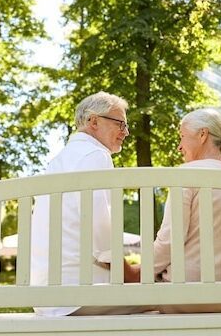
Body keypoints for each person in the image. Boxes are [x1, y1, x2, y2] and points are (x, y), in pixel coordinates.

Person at [129, 108, 221, 313]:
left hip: (189, 294)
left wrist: (138, 272)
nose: (179, 146)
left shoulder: (187, 174)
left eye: (182, 137)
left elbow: (170, 240)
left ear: (202, 135)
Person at [30, 91, 146, 316]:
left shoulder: (61, 160)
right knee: (172, 301)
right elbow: (101, 234)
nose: (126, 132)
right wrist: (131, 274)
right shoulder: (95, 154)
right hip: (78, 294)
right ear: (94, 121)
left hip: (49, 296)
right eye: (120, 124)